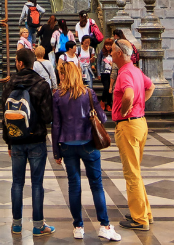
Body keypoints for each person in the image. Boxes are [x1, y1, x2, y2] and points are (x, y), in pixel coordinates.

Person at [51, 61, 121, 242]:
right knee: (96, 184)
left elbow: (56, 125)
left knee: (74, 186)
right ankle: (105, 226)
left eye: (61, 73)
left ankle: (78, 227)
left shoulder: (58, 95)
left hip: (67, 144)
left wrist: (56, 152)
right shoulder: (88, 93)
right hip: (88, 143)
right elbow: (103, 118)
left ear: (64, 75)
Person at [1, 48, 55, 237]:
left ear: (20, 63)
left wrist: (8, 141)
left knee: (17, 183)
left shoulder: (9, 84)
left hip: (15, 139)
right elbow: (48, 117)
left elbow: (5, 116)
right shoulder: (42, 84)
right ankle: (38, 225)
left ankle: (16, 224)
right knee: (37, 184)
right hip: (36, 140)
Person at [111, 39, 153, 231]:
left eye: (112, 51)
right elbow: (150, 87)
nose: (110, 54)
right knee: (136, 170)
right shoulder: (135, 70)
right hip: (140, 123)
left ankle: (139, 219)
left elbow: (128, 95)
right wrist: (139, 105)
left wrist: (126, 109)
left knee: (131, 173)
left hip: (128, 125)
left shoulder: (125, 73)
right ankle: (144, 213)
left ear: (120, 53)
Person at [97, 39, 115, 112]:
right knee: (107, 87)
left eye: (109, 45)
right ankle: (103, 101)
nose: (108, 47)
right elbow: (98, 62)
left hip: (112, 73)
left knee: (111, 89)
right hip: (103, 72)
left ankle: (109, 104)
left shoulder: (114, 52)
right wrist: (98, 73)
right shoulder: (102, 52)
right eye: (107, 45)